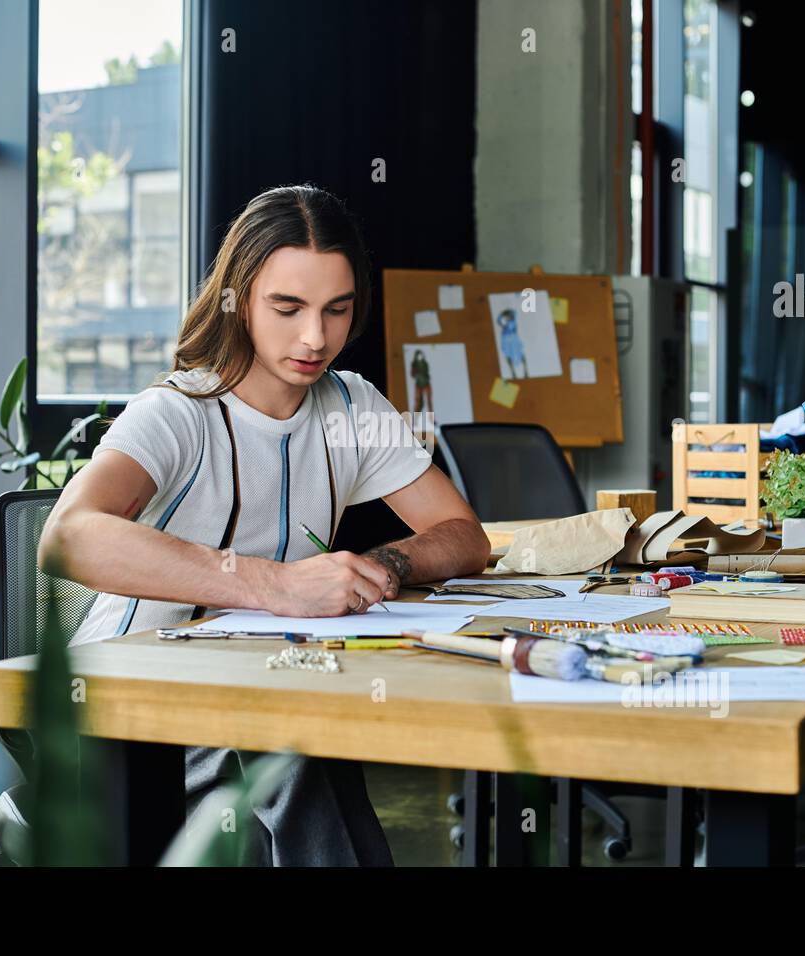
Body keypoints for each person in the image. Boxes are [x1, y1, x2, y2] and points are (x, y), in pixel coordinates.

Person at [34, 184, 491, 865]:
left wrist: (391, 564)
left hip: (256, 692)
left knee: (304, 734)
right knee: (295, 743)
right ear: (239, 297)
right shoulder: (178, 411)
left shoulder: (352, 406)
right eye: (288, 308)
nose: (316, 337)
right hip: (124, 715)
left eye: (336, 310)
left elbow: (465, 535)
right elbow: (67, 537)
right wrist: (274, 586)